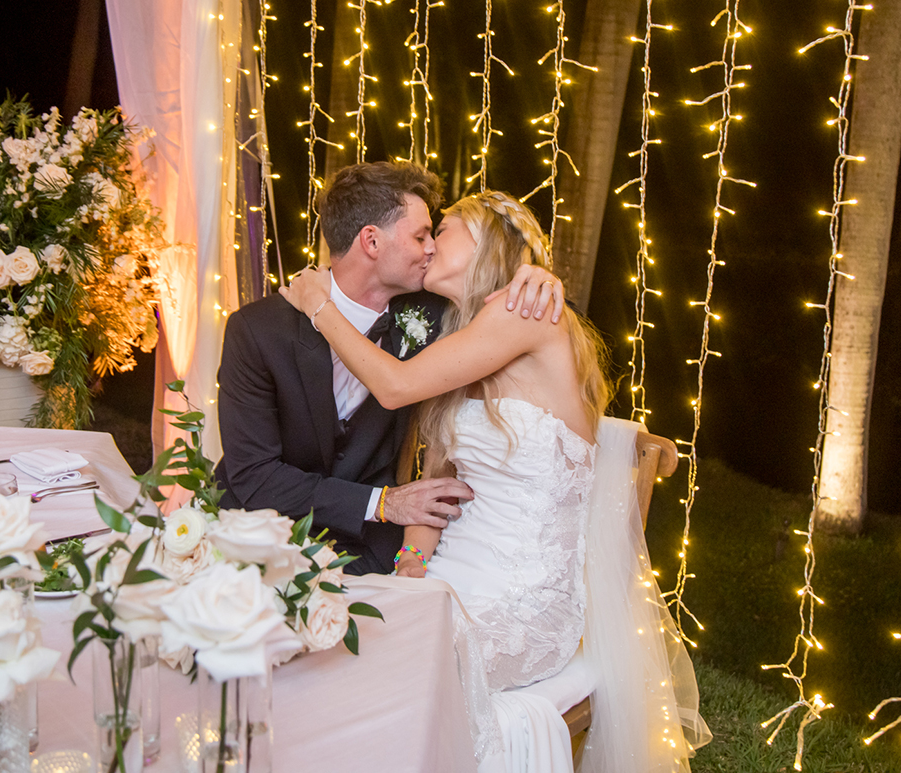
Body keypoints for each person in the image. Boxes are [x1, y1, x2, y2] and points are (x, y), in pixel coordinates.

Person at [280, 191, 709, 771]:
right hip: (451, 580)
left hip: (525, 600)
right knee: (327, 640)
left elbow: (395, 388)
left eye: (444, 229)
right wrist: (409, 569)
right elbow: (441, 486)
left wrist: (319, 306)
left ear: (486, 243)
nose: (428, 244)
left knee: (376, 665)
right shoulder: (464, 335)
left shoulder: (523, 312)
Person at [214, 162, 566, 575]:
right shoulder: (257, 331)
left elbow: (512, 307)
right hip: (255, 533)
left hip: (371, 546)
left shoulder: (440, 317)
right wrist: (384, 503)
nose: (432, 246)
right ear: (372, 242)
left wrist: (539, 278)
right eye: (420, 236)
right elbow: (255, 478)